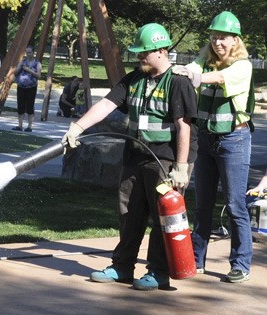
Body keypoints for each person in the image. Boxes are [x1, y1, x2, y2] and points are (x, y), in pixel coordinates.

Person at [62, 23, 197, 291]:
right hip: (136, 155)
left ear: (161, 50)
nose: (139, 57)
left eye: (143, 53)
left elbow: (184, 126)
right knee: (129, 212)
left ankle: (158, 271)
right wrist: (78, 126)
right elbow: (106, 104)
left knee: (163, 216)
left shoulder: (178, 83)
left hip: (167, 161)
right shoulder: (134, 79)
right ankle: (122, 266)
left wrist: (181, 167)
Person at [173, 11, 255, 283]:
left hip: (234, 140)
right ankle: (197, 259)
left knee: (234, 205)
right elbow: (194, 68)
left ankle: (240, 264)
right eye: (214, 37)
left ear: (235, 41)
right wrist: (187, 71)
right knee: (202, 205)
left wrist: (192, 76)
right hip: (206, 140)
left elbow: (219, 78)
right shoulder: (204, 59)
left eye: (224, 38)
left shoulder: (243, 66)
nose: (218, 42)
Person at [12, 46, 41, 132]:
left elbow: (38, 76)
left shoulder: (37, 63)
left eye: (29, 52)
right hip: (21, 87)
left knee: (30, 106)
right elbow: (15, 73)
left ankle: (30, 126)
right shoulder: (22, 62)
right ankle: (20, 125)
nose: (28, 54)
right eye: (27, 52)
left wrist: (29, 70)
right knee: (20, 106)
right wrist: (19, 67)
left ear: (33, 53)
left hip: (31, 87)